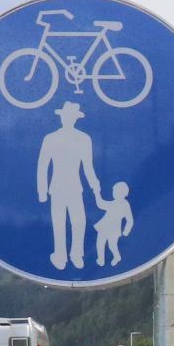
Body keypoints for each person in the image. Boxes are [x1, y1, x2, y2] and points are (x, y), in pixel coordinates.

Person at [35, 102, 100, 270]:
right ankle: (60, 256)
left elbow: (88, 166)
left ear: (75, 119)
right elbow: (42, 166)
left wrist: (95, 185)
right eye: (66, 116)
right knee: (59, 223)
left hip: (75, 187)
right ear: (61, 117)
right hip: (56, 188)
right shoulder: (50, 138)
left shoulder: (84, 139)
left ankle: (77, 254)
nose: (68, 119)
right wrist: (42, 192)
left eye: (71, 117)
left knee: (79, 222)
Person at [94, 180, 134, 266]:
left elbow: (130, 220)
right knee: (100, 243)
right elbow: (101, 204)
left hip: (113, 229)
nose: (113, 193)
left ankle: (117, 257)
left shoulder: (124, 204)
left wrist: (126, 231)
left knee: (111, 245)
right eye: (114, 191)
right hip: (105, 227)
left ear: (122, 193)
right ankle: (101, 260)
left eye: (115, 191)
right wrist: (97, 194)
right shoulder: (114, 203)